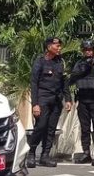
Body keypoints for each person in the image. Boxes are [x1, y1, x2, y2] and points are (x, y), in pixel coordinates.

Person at [28, 36, 71, 168]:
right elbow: (34, 84)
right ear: (48, 47)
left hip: (56, 100)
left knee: (51, 129)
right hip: (43, 99)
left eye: (60, 46)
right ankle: (31, 153)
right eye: (57, 46)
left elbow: (64, 82)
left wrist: (68, 99)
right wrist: (35, 104)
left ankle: (45, 156)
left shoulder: (60, 62)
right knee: (41, 126)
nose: (59, 48)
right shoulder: (40, 62)